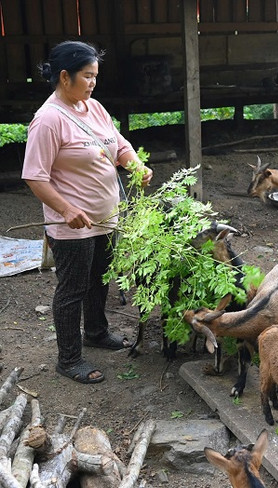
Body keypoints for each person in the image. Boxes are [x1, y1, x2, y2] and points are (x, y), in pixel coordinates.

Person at [22, 41, 153, 384]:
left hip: (104, 216)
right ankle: (69, 359)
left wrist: (135, 164)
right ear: (65, 77)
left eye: (96, 76)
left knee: (100, 279)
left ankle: (95, 331)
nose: (94, 82)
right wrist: (65, 209)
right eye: (88, 76)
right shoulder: (48, 120)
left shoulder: (92, 107)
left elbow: (118, 143)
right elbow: (34, 176)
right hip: (73, 224)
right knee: (73, 289)